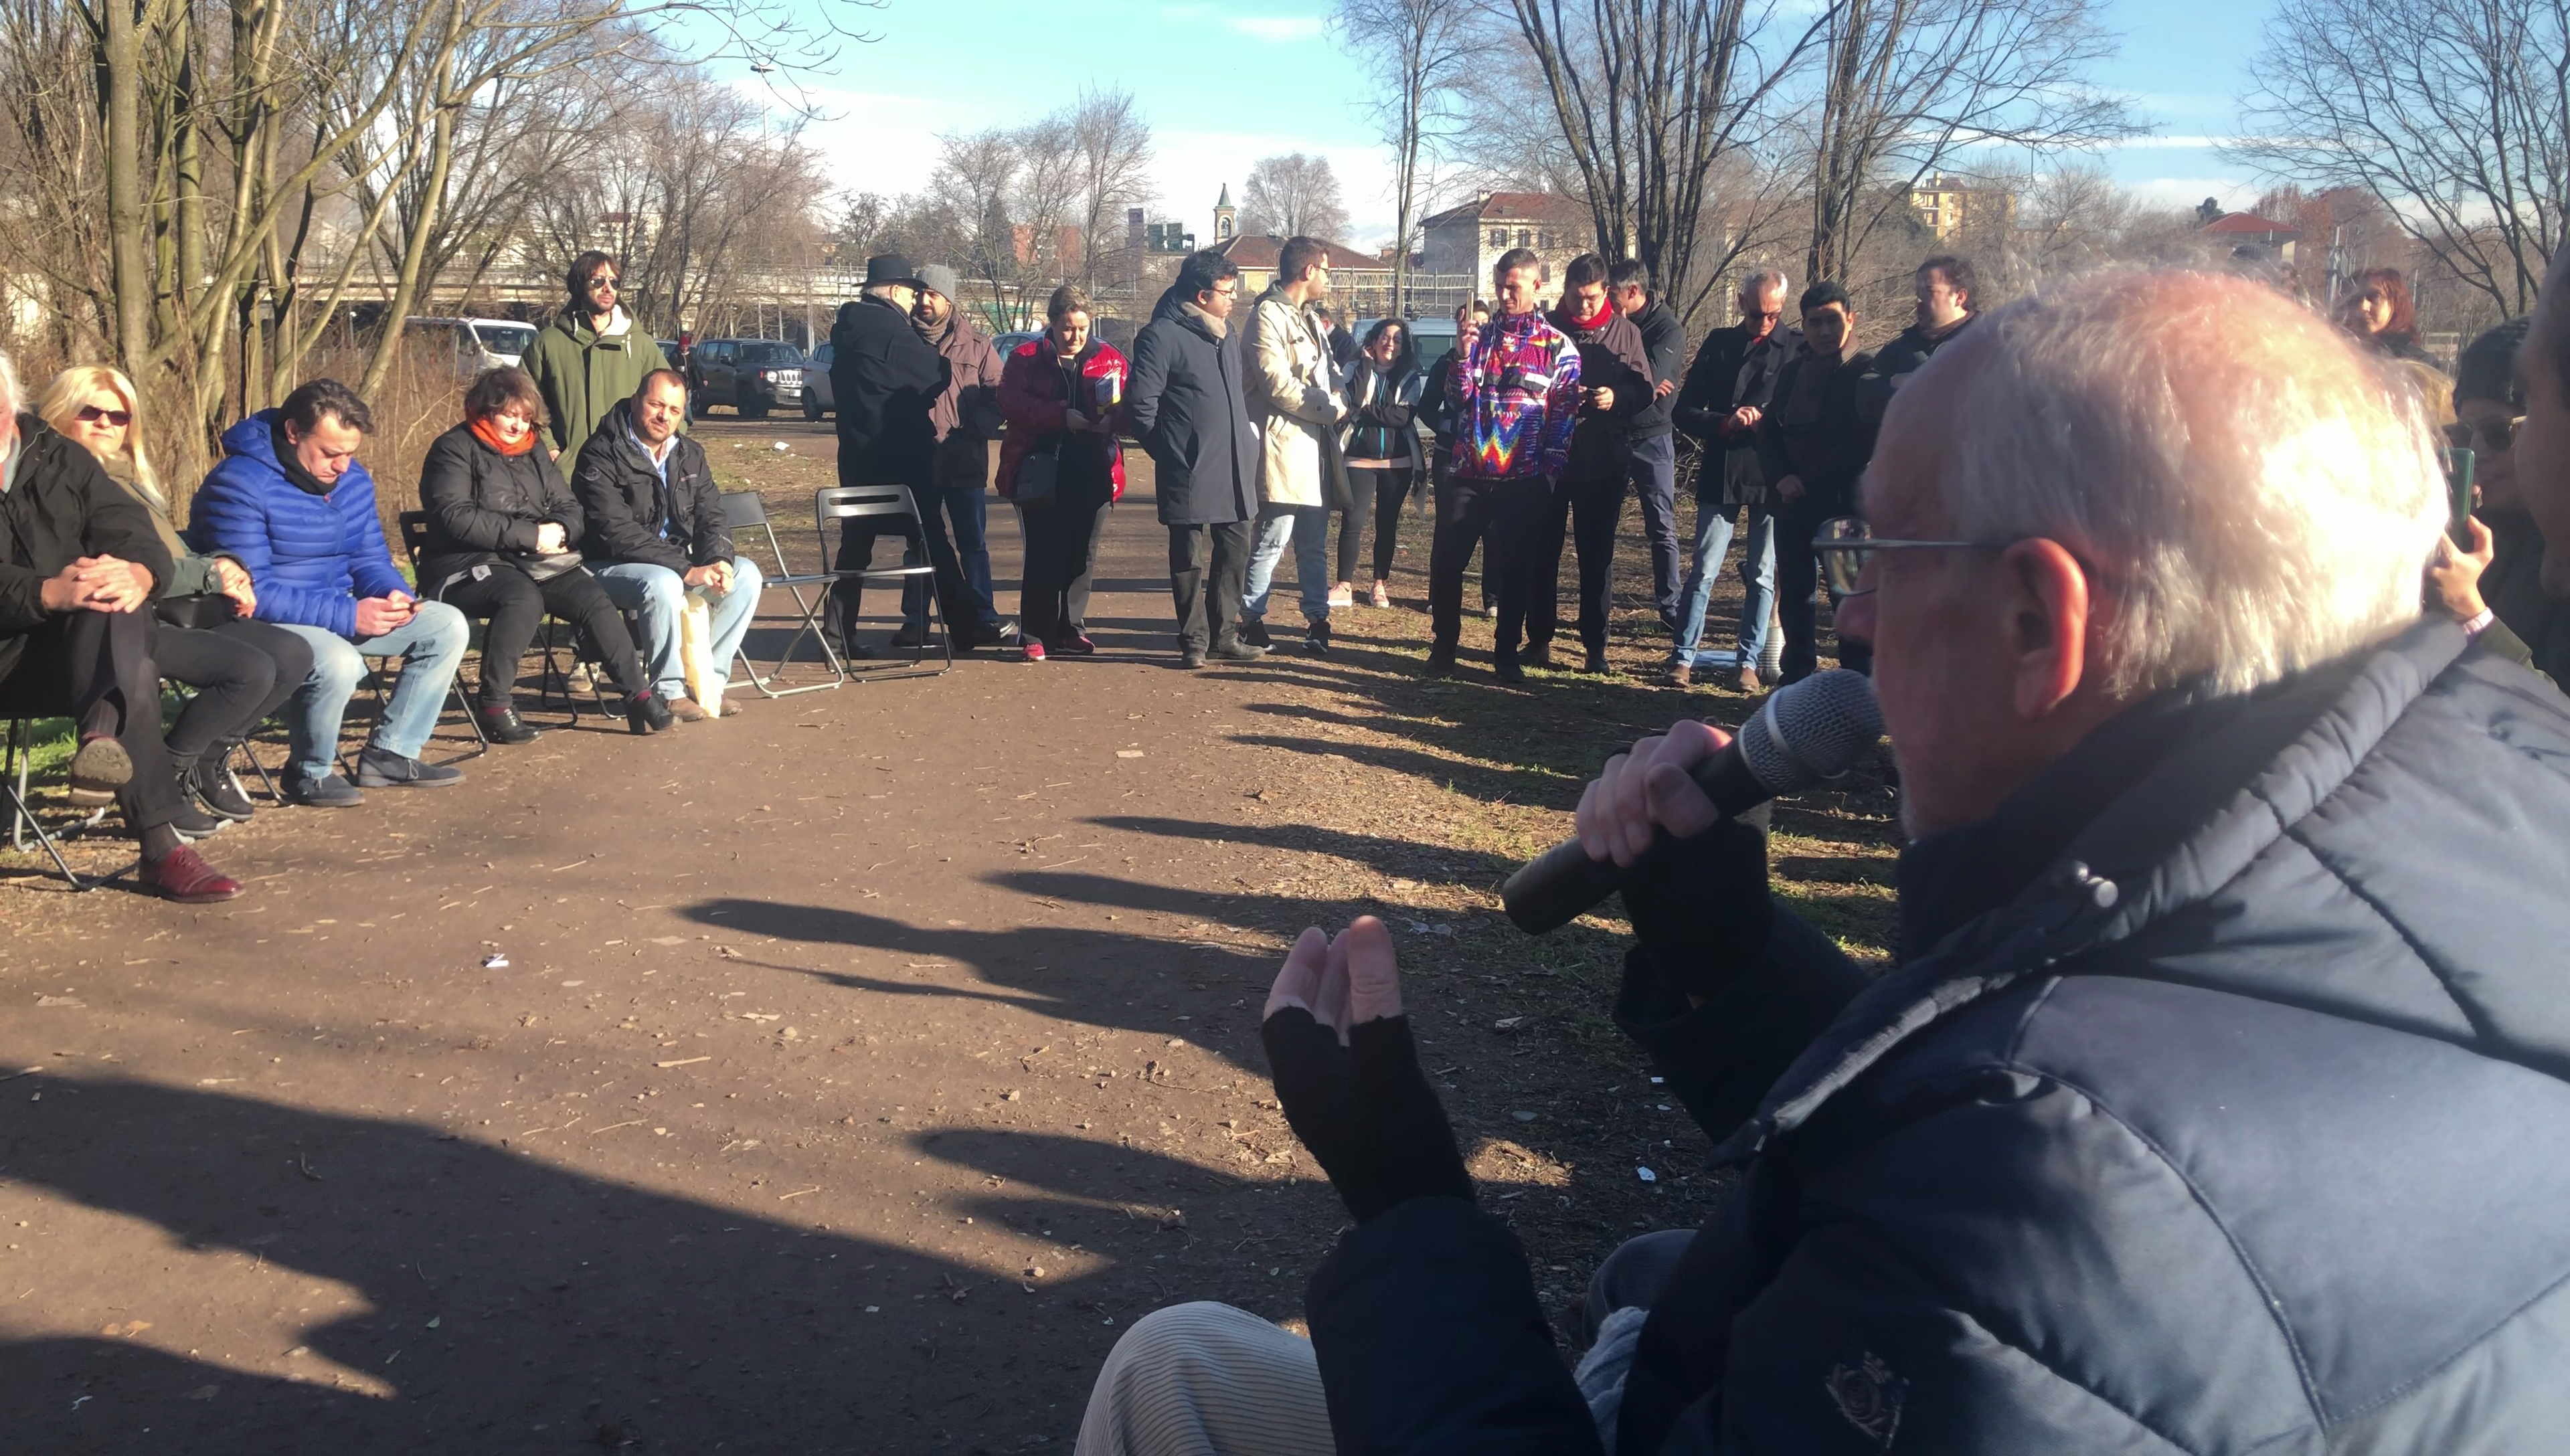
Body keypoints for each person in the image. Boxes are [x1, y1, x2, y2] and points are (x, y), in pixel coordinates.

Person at [1082, 267, 2570, 1453]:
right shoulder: (2489, 826)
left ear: (2038, 626)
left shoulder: (2062, 1217)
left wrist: (1409, 1203)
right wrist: (1735, 962)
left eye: (1878, 564)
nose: (1844, 629)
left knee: (1182, 1379)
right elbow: (2019, 1113)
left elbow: (2040, 1189)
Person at [0, 349, 240, 901]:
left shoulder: (60, 458)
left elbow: (132, 531)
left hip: (74, 656)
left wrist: (135, 571)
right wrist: (45, 592)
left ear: (11, 408)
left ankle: (101, 740)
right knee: (128, 659)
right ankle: (159, 845)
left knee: (116, 597)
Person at [36, 364, 315, 826]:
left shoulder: (130, 478)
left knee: (293, 653)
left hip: (181, 605)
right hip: (128, 623)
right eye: (91, 413)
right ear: (61, 414)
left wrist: (226, 565)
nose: (107, 423)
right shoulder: (65, 485)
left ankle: (205, 758)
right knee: (249, 669)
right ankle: (167, 773)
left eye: (120, 416)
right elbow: (128, 568)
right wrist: (210, 576)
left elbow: (170, 547)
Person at [191, 379, 469, 805]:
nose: (342, 467)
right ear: (292, 432)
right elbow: (253, 589)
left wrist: (394, 595)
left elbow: (370, 559)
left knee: (446, 624)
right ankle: (309, 772)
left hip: (342, 606)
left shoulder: (353, 480)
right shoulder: (238, 484)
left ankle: (392, 753)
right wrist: (349, 616)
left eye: (350, 453)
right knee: (339, 661)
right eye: (330, 453)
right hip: (268, 619)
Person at [417, 366, 667, 739]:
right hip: (464, 562)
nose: (519, 426)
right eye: (509, 415)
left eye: (526, 417)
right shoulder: (453, 449)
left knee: (590, 596)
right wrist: (532, 535)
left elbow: (567, 503)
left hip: (532, 562)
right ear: (484, 409)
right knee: (521, 598)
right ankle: (494, 705)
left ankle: (638, 695)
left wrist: (563, 529)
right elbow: (455, 517)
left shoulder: (532, 448)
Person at [572, 371, 766, 717]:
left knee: (746, 575)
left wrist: (719, 560)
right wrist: (687, 569)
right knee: (662, 582)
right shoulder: (600, 454)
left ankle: (708, 685)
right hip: (606, 565)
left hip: (679, 560)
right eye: (656, 405)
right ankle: (669, 691)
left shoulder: (690, 453)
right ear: (636, 401)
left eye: (675, 411)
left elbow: (712, 517)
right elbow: (615, 533)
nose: (664, 417)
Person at [1437, 248, 1581, 682]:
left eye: (1513, 287)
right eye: (1499, 286)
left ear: (1537, 287)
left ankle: (1506, 654)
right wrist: (1461, 357)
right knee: (1446, 562)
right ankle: (1444, 648)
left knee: (1515, 570)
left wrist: (1549, 476)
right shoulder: (1478, 339)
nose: (1504, 295)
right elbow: (1457, 399)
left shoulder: (1559, 349)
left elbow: (1564, 420)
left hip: (1523, 480)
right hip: (1469, 472)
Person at [827, 253, 976, 656]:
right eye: (911, 294)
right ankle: (966, 627)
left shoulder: (849, 328)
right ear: (895, 291)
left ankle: (839, 634)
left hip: (857, 459)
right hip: (900, 461)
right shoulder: (890, 330)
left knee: (855, 546)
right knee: (933, 541)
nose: (915, 303)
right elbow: (935, 373)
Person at [1128, 249, 1264, 668]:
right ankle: (1194, 641)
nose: (1234, 299)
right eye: (1227, 292)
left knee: (1236, 550)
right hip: (1188, 468)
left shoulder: (1226, 332)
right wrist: (1172, 453)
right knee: (1188, 559)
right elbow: (1140, 408)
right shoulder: (1161, 336)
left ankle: (1224, 635)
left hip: (1235, 466)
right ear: (1203, 295)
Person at [1666, 269, 1792, 691]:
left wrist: (1768, 419)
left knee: (1761, 573)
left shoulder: (1797, 348)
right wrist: (1725, 421)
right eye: (1757, 314)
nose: (1765, 323)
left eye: (1774, 314)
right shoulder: (1720, 344)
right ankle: (1683, 656)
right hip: (1721, 470)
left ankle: (1749, 661)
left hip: (1770, 471)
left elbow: (1807, 416)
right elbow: (1683, 411)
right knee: (1703, 569)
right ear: (1741, 305)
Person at [2431, 317, 2570, 680]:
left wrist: (2471, 616)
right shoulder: (2478, 531)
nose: (2476, 451)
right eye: (2463, 432)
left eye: (2497, 433)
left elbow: (2556, 724)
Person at [996, 285, 1128, 661]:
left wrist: (1113, 420)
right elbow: (1010, 403)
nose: (1076, 337)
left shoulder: (1111, 359)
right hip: (1039, 466)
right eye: (1068, 328)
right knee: (1042, 552)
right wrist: (1059, 416)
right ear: (1051, 324)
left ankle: (1072, 627)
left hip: (1094, 466)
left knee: (1083, 552)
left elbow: (1131, 405)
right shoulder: (1024, 358)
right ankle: (1035, 632)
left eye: (1083, 328)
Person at [1541, 252, 1654, 674]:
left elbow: (1643, 389)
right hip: (1551, 459)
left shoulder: (1625, 333)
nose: (1583, 306)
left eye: (1590, 298)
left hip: (1604, 460)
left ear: (1605, 293)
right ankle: (1540, 638)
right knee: (1543, 552)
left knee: (1596, 557)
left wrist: (1614, 398)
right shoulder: (1549, 329)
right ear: (1564, 292)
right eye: (1575, 297)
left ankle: (1595, 647)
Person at [1758, 280, 1875, 683]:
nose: (1824, 331)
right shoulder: (1793, 371)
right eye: (1815, 323)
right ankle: (1797, 676)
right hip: (1791, 504)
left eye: (1833, 321)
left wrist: (1806, 480)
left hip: (1844, 507)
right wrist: (1780, 478)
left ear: (1850, 320)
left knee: (1848, 596)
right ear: (1803, 326)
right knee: (1794, 594)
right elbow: (1770, 430)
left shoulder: (1865, 372)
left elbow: (1859, 443)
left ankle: (1856, 680)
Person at [1239, 238, 1347, 658]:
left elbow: (1332, 372)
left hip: (1316, 447)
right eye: (1325, 269)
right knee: (1273, 536)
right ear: (1308, 271)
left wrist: (1341, 396)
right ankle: (1251, 620)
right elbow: (1276, 384)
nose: (1327, 277)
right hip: (1283, 446)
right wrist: (1329, 408)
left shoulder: (1311, 320)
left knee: (1314, 543)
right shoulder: (1266, 315)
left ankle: (1318, 621)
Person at [902, 264, 1015, 649]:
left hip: (964, 461)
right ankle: (916, 621)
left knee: (973, 543)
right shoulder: (902, 341)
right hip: (917, 461)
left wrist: (974, 430)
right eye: (919, 293)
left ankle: (983, 614)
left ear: (948, 298)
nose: (923, 301)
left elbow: (1000, 395)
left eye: (931, 294)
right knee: (919, 543)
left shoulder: (978, 345)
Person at [521, 251, 672, 480]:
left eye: (614, 282)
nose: (608, 288)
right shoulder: (548, 343)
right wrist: (550, 448)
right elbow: (522, 402)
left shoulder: (640, 344)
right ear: (579, 285)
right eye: (598, 281)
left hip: (629, 479)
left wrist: (658, 448)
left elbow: (675, 402)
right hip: (568, 479)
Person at [1609, 258, 1689, 632]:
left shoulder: (1669, 329)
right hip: (1612, 433)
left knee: (1661, 526)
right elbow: (1638, 385)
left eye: (1613, 296)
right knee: (1601, 524)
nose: (1607, 303)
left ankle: (1671, 608)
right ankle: (1600, 609)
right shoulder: (1614, 324)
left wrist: (1632, 388)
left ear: (1634, 292)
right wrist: (1639, 388)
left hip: (1653, 437)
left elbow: (1649, 381)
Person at [1418, 299, 1496, 643]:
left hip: (1491, 461)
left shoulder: (1497, 362)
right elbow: (1426, 408)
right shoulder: (1445, 364)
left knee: (1494, 532)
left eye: (1480, 323)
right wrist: (1451, 428)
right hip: (1452, 458)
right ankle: (1440, 596)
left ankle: (1493, 598)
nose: (1473, 329)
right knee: (1447, 532)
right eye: (1466, 324)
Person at [1335, 318, 1424, 610]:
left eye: (1397, 340)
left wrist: (1364, 412)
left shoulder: (1409, 376)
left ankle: (1379, 586)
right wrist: (1365, 365)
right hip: (1359, 458)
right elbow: (1353, 401)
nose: (1390, 344)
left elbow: (1403, 417)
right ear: (1373, 340)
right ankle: (1344, 585)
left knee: (1387, 525)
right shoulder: (1353, 368)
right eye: (1385, 337)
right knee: (1353, 522)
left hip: (1397, 462)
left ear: (1403, 347)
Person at [1860, 254, 1978, 422]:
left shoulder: (1987, 342)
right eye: (1918, 292)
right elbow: (1866, 395)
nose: (1918, 300)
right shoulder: (1902, 345)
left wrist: (1914, 385)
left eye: (1929, 291)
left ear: (1960, 297)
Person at [2342, 266, 2434, 364]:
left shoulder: (2419, 364)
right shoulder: (2337, 355)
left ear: (2396, 303)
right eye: (2356, 299)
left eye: (2374, 297)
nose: (2363, 307)